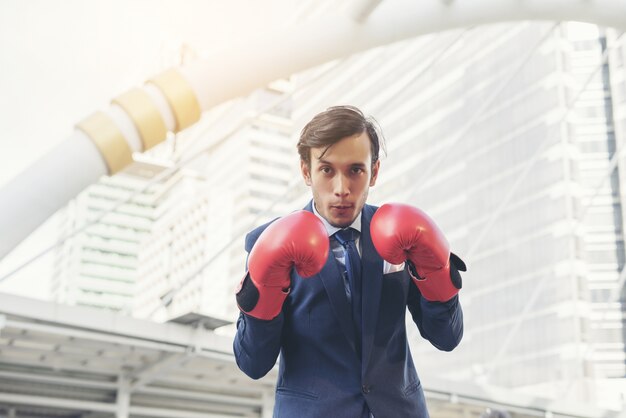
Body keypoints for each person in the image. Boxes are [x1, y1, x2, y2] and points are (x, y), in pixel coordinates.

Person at [233, 105, 466, 418]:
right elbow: (253, 363)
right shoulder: (267, 240)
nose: (341, 189)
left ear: (375, 171)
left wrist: (437, 274)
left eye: (355, 170)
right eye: (327, 170)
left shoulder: (404, 232)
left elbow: (447, 337)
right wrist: (263, 299)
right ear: (306, 171)